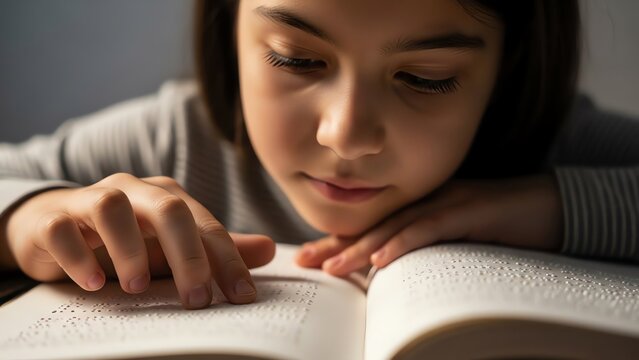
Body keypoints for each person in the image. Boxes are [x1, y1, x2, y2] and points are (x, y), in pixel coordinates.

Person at [0, 0, 637, 310]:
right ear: (231, 31)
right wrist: (27, 219)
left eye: (428, 77)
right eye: (297, 60)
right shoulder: (176, 140)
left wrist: (549, 207)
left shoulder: (547, 144)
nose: (346, 134)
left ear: (509, 68)